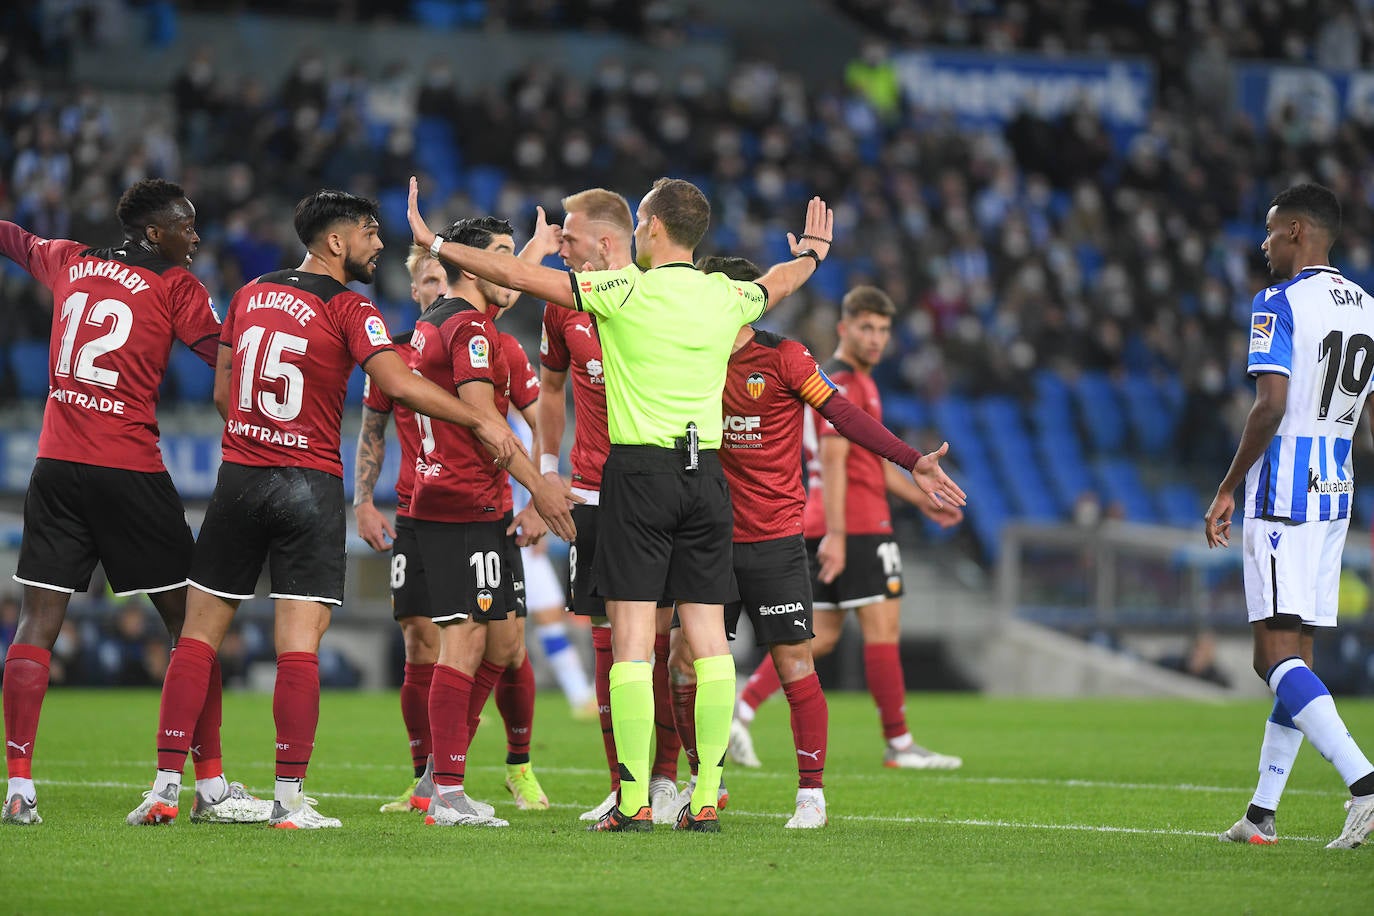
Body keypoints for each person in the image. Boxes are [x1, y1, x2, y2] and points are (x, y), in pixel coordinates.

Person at [409, 174, 839, 832]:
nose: (635, 232)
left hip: (637, 475)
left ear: (656, 229)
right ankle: (704, 799)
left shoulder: (621, 289)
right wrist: (811, 253)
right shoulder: (728, 295)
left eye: (640, 222)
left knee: (634, 642)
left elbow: (516, 278)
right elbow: (781, 280)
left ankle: (634, 799)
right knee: (710, 645)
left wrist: (438, 243)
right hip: (708, 477)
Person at [126, 189, 525, 830]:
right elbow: (396, 384)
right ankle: (288, 800)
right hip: (307, 484)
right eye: (368, 233)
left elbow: (224, 392)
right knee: (299, 646)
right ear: (335, 242)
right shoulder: (351, 307)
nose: (378, 244)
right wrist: (479, 419)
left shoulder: (250, 292)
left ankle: (166, 787)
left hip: (240, 476)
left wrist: (256, 440)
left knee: (197, 636)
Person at [0, 179, 268, 827]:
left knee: (38, 622)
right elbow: (218, 356)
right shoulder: (178, 288)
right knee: (193, 627)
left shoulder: (69, 258)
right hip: (128, 469)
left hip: (56, 466)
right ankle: (210, 786)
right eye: (186, 225)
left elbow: (11, 237)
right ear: (155, 233)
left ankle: (18, 789)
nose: (196, 236)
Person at [668, 257, 965, 829]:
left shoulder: (785, 357)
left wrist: (911, 461)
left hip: (776, 541)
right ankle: (705, 779)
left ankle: (811, 795)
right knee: (684, 662)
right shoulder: (687, 356)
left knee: (797, 661)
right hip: (707, 540)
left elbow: (843, 418)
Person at [353, 242, 562, 815]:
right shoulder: (396, 354)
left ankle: (513, 765)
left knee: (505, 645)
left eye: (444, 279)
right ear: (414, 288)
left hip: (483, 509)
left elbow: (537, 417)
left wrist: (537, 497)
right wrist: (364, 499)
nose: (436, 290)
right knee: (425, 642)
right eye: (427, 281)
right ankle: (430, 777)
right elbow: (372, 427)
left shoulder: (497, 347)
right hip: (417, 512)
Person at [730, 286, 966, 771]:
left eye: (883, 330)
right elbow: (835, 460)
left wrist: (922, 501)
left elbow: (871, 466)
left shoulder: (855, 380)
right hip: (854, 524)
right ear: (844, 328)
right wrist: (837, 533)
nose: (876, 339)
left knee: (822, 636)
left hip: (837, 520)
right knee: (884, 627)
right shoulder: (842, 382)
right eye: (866, 328)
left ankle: (744, 707)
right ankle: (899, 743)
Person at [1205, 182, 1374, 850]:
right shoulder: (1366, 306)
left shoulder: (1277, 302)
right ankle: (1262, 813)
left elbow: (1270, 405)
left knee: (1271, 656)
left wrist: (1226, 487)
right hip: (1336, 489)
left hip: (1284, 492)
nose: (1265, 244)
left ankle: (1364, 784)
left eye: (1273, 232)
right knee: (1296, 651)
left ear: (1299, 231)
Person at [404, 215, 576, 828]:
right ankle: (446, 789)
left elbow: (503, 287)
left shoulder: (438, 318)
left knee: (494, 642)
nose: (514, 269)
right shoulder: (470, 328)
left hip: (454, 500)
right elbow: (488, 424)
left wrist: (532, 249)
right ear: (472, 264)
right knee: (466, 641)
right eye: (499, 256)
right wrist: (544, 489)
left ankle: (441, 780)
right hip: (464, 501)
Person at [532, 189, 680, 824]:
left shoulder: (662, 295)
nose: (561, 248)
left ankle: (669, 779)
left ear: (606, 241)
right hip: (590, 491)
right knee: (605, 644)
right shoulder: (562, 310)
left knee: (664, 647)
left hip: (657, 490)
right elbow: (552, 387)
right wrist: (545, 471)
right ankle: (624, 786)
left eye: (569, 238)